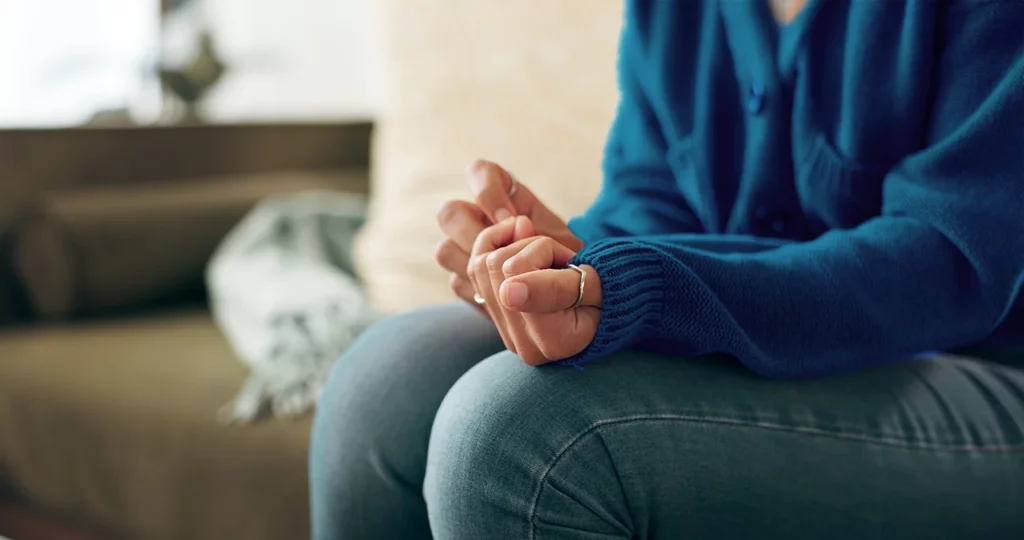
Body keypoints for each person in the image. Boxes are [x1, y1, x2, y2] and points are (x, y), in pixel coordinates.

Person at [311, 0, 1024, 538]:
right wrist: (556, 263)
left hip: (990, 373)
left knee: (515, 432)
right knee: (385, 379)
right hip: (806, 355)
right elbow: (652, 204)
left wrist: (643, 288)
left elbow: (946, 259)